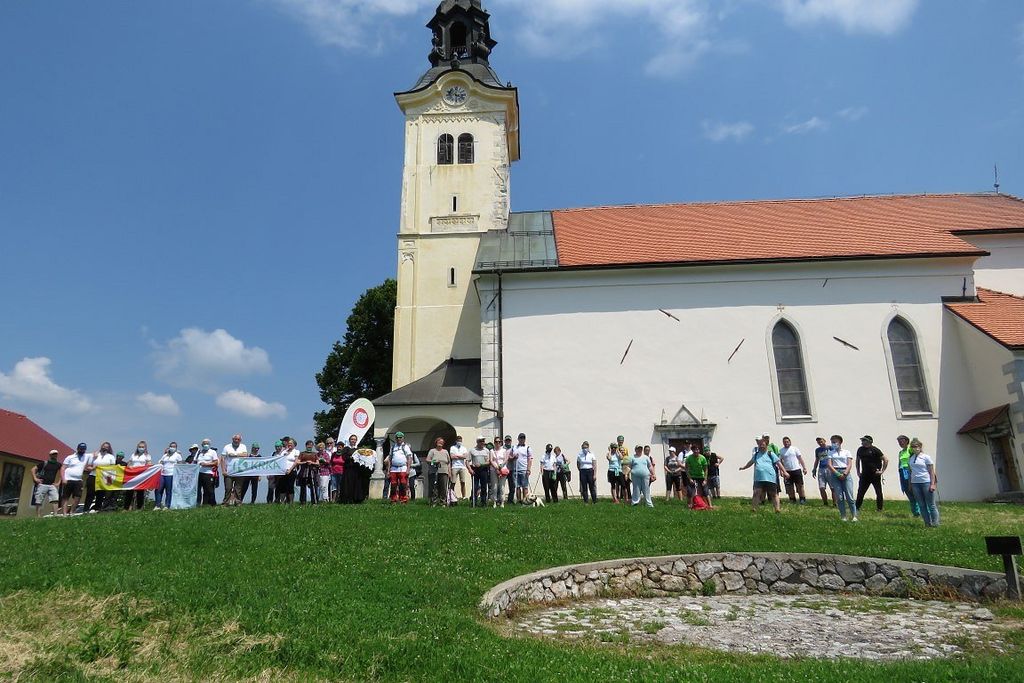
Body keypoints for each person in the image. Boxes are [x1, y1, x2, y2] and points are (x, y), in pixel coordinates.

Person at [740, 437, 786, 513]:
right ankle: (754, 508)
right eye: (760, 444)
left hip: (770, 477)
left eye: (763, 444)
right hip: (759, 478)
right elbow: (751, 462)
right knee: (756, 493)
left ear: (766, 445)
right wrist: (744, 467)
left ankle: (777, 509)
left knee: (774, 494)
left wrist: (784, 472)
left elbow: (778, 463)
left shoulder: (771, 454)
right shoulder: (756, 455)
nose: (761, 446)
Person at [908, 437, 939, 527]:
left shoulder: (926, 457)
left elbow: (931, 471)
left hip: (925, 482)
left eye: (916, 446)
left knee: (931, 504)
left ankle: (935, 523)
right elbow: (910, 472)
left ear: (920, 447)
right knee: (921, 505)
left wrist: (932, 484)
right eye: (913, 446)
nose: (915, 448)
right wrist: (910, 484)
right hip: (915, 483)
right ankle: (927, 523)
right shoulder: (911, 458)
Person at [827, 435, 858, 522]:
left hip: (845, 473)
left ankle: (854, 515)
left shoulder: (847, 452)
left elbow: (849, 464)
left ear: (840, 442)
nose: (833, 444)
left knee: (849, 496)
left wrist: (845, 473)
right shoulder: (830, 453)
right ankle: (843, 516)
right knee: (840, 497)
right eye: (832, 442)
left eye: (835, 442)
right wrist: (837, 473)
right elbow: (829, 464)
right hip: (835, 473)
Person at [855, 435, 888, 512]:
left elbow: (885, 460)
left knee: (878, 492)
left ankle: (879, 508)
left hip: (875, 474)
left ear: (869, 442)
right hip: (865, 474)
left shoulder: (875, 450)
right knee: (860, 492)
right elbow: (857, 461)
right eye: (862, 440)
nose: (862, 442)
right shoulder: (860, 450)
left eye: (864, 440)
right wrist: (858, 471)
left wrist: (882, 471)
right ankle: (856, 508)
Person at [59, 444, 89, 516]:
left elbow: (95, 454)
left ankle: (72, 512)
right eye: (81, 449)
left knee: (77, 497)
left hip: (78, 480)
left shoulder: (86, 457)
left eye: (83, 449)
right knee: (65, 497)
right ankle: (64, 513)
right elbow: (63, 468)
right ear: (77, 448)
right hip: (68, 479)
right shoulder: (70, 457)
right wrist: (63, 479)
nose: (82, 450)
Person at [895, 435, 920, 516]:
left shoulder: (910, 449)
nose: (900, 443)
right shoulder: (901, 452)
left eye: (901, 441)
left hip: (909, 471)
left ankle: (920, 510)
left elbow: (916, 458)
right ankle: (915, 512)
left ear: (906, 441)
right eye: (898, 442)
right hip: (902, 472)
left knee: (913, 490)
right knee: (907, 490)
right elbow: (900, 462)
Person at [123, 441, 152, 511]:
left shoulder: (147, 456)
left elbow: (149, 465)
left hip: (141, 476)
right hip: (132, 475)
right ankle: (126, 508)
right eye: (140, 447)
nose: (141, 448)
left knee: (140, 492)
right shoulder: (133, 455)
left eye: (142, 447)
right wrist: (129, 467)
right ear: (137, 447)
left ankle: (139, 508)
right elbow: (129, 463)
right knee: (129, 492)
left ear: (145, 448)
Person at [778, 437, 808, 504]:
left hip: (796, 470)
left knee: (800, 485)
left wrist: (804, 468)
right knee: (789, 487)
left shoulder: (795, 449)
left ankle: (802, 499)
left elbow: (800, 458)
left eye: (787, 441)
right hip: (787, 471)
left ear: (790, 442)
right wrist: (781, 471)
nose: (786, 443)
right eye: (784, 442)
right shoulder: (781, 451)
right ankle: (792, 499)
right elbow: (780, 462)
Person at [33, 450, 62, 517]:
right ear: (50, 455)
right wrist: (35, 478)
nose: (55, 455)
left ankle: (55, 515)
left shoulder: (58, 464)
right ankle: (38, 516)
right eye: (53, 454)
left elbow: (62, 473)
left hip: (51, 485)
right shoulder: (44, 463)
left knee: (55, 499)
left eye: (56, 454)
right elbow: (33, 469)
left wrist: (58, 482)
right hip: (42, 484)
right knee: (39, 500)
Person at [221, 434, 247, 506]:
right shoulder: (227, 447)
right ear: (232, 439)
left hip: (239, 471)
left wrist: (234, 455)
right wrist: (223, 470)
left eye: (238, 439)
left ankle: (238, 502)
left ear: (240, 440)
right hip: (229, 471)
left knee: (238, 488)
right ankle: (225, 502)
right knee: (228, 488)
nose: (236, 440)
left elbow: (245, 455)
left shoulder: (243, 446)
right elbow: (222, 459)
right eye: (235, 439)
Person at [89, 442, 116, 512]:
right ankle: (86, 509)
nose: (105, 448)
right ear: (101, 446)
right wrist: (93, 458)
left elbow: (112, 468)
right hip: (93, 475)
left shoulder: (111, 457)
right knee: (90, 493)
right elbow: (88, 466)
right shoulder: (95, 454)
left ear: (109, 448)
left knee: (100, 494)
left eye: (107, 447)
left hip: (104, 477)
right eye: (104, 446)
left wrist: (110, 479)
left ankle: (97, 509)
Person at [155, 442, 181, 510]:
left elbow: (180, 465)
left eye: (174, 447)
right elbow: (160, 461)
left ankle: (167, 505)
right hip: (162, 474)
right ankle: (157, 505)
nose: (172, 448)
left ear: (176, 448)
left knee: (168, 491)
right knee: (158, 489)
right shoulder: (165, 455)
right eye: (171, 446)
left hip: (171, 474)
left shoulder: (177, 455)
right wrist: (160, 462)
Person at [811, 437, 835, 507]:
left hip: (830, 469)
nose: (820, 443)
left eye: (821, 441)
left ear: (824, 441)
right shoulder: (817, 450)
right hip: (821, 469)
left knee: (833, 487)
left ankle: (835, 503)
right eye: (818, 442)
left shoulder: (830, 448)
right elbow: (817, 460)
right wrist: (814, 469)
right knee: (821, 488)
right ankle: (825, 503)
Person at [427, 437, 451, 507]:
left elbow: (449, 462)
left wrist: (449, 472)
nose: (440, 443)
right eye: (439, 442)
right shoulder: (432, 451)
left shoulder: (445, 451)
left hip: (444, 471)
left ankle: (443, 502)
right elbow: (428, 460)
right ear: (436, 443)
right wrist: (434, 462)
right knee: (434, 487)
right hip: (434, 472)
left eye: (442, 442)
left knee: (443, 487)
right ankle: (434, 502)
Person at [469, 436, 491, 507]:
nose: (482, 443)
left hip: (483, 470)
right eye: (481, 441)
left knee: (484, 487)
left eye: (483, 441)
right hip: (475, 470)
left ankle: (483, 502)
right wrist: (470, 469)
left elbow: (489, 462)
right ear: (477, 442)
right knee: (475, 487)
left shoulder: (486, 451)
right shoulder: (472, 450)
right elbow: (467, 461)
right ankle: (474, 502)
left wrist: (481, 464)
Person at [387, 436, 410, 503]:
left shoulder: (405, 446)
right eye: (397, 437)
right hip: (394, 468)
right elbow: (390, 459)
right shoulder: (393, 447)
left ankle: (403, 499)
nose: (398, 439)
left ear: (403, 438)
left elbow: (409, 458)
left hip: (403, 468)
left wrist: (408, 469)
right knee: (393, 484)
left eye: (400, 437)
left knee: (403, 484)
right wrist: (388, 470)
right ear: (395, 439)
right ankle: (393, 499)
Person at [511, 433, 533, 504]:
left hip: (524, 469)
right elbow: (509, 457)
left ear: (525, 439)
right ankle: (519, 500)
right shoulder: (514, 447)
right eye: (520, 438)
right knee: (517, 487)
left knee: (525, 486)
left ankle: (525, 500)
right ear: (518, 439)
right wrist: (514, 457)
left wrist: (528, 469)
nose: (522, 439)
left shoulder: (528, 448)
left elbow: (530, 459)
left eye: (523, 438)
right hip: (515, 469)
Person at [276, 437, 299, 504]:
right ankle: (282, 502)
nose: (289, 444)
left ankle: (291, 501)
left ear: (294, 444)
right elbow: (280, 460)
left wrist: (290, 469)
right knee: (282, 487)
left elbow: (296, 462)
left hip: (291, 471)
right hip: (283, 471)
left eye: (291, 443)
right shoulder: (284, 451)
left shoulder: (296, 451)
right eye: (289, 443)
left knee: (290, 486)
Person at [296, 440, 320, 504]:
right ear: (306, 446)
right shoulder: (302, 453)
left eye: (311, 445)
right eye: (308, 445)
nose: (309, 446)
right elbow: (297, 462)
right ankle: (303, 502)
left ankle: (314, 502)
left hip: (312, 471)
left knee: (313, 487)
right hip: (303, 471)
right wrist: (304, 462)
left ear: (312, 446)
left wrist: (312, 462)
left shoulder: (314, 454)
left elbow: (318, 463)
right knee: (303, 487)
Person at [196, 440, 218, 506]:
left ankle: (213, 503)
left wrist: (206, 464)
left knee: (209, 489)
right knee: (199, 489)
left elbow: (216, 462)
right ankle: (203, 504)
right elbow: (195, 461)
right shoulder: (199, 452)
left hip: (208, 473)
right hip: (199, 473)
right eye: (204, 444)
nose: (206, 445)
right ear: (202, 445)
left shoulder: (212, 452)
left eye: (207, 444)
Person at [448, 435, 469, 501]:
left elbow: (465, 456)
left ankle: (464, 496)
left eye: (460, 441)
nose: (459, 442)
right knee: (453, 482)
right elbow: (452, 456)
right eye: (458, 440)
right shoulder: (452, 447)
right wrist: (461, 456)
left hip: (462, 467)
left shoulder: (464, 448)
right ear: (456, 441)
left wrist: (457, 456)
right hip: (454, 466)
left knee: (463, 482)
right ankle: (452, 496)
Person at [490, 438, 509, 508]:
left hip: (503, 469)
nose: (497, 443)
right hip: (493, 469)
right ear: (494, 443)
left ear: (501, 443)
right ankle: (494, 502)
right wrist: (496, 467)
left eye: (499, 442)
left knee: (502, 486)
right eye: (496, 442)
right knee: (494, 487)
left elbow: (506, 459)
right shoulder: (491, 451)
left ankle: (502, 502)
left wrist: (501, 466)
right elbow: (491, 460)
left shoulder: (504, 450)